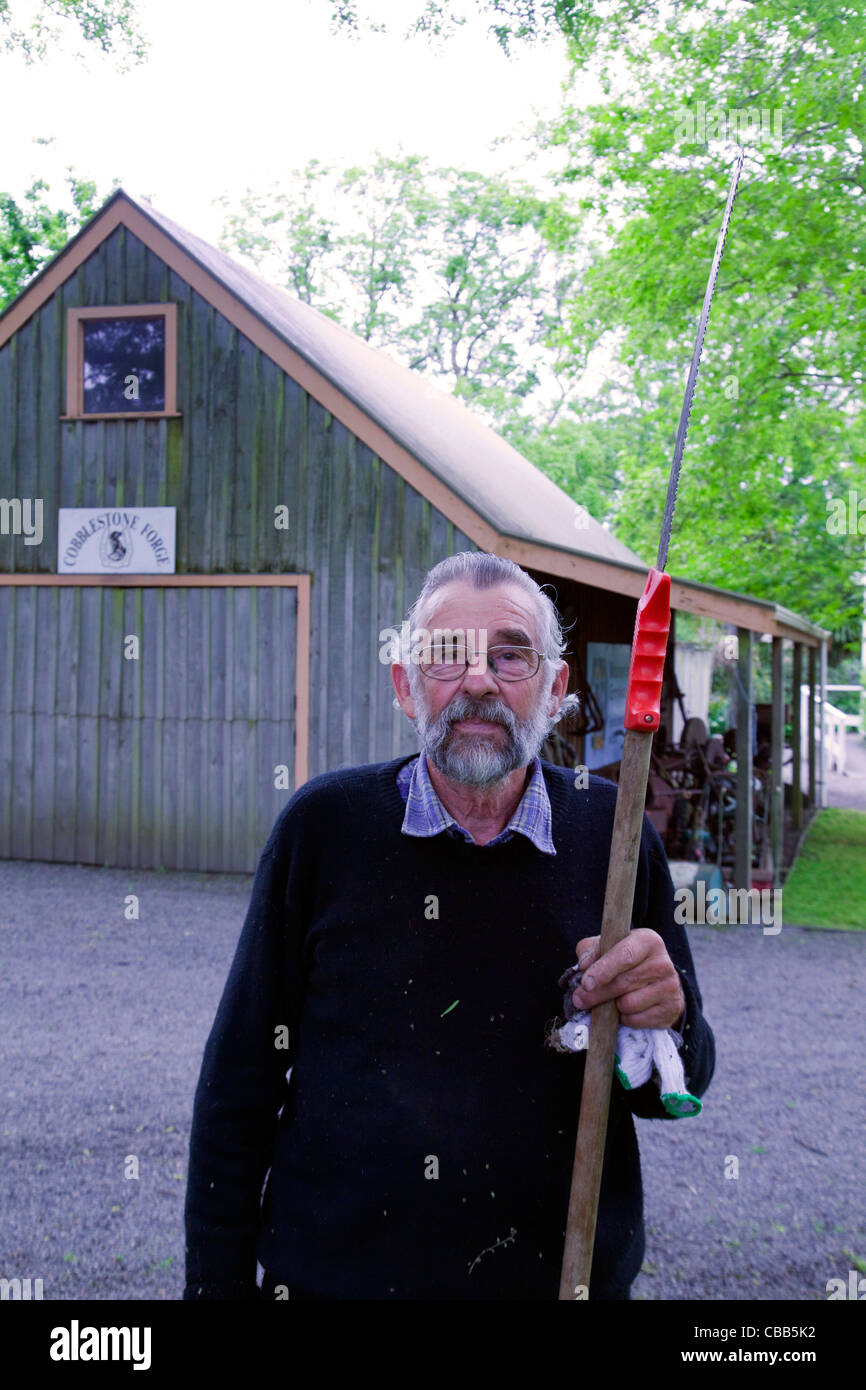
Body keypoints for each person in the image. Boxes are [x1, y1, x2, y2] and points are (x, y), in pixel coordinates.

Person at [183, 551, 714, 1301]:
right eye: (445, 656)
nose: (476, 681)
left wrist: (669, 1020)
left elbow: (669, 1091)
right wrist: (214, 1289)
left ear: (555, 688)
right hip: (336, 1287)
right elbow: (240, 1080)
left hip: (559, 1286)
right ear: (405, 686)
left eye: (510, 655)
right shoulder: (325, 829)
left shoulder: (616, 839)